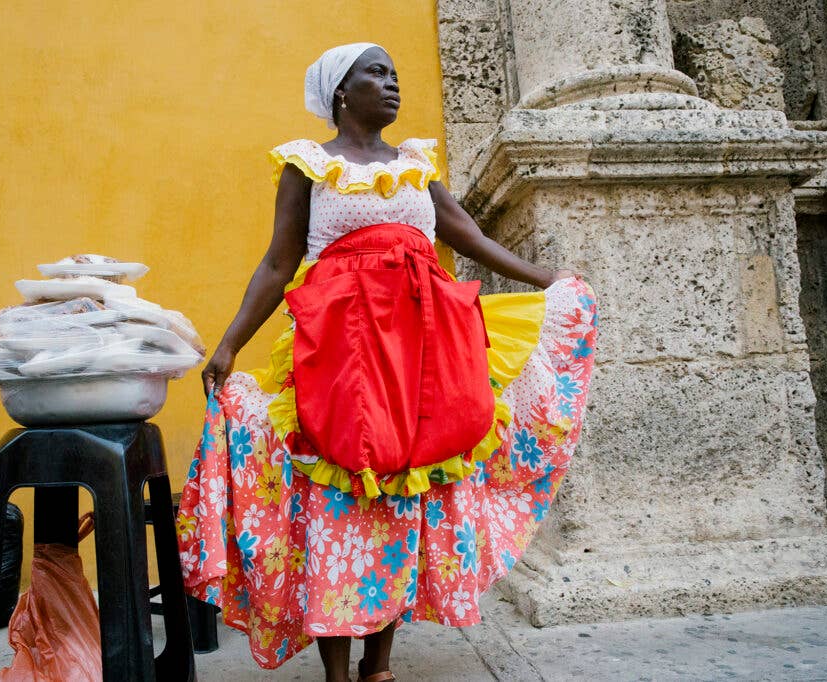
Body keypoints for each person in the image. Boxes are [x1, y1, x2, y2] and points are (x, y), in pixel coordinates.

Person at [177, 43, 598, 682]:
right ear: (341, 92)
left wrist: (550, 281)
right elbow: (277, 263)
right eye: (376, 73)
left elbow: (469, 236)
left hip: (423, 346)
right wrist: (230, 343)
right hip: (340, 350)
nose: (392, 84)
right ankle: (339, 672)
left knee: (406, 491)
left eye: (396, 74)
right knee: (337, 497)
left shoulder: (414, 163)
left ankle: (379, 666)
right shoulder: (308, 166)